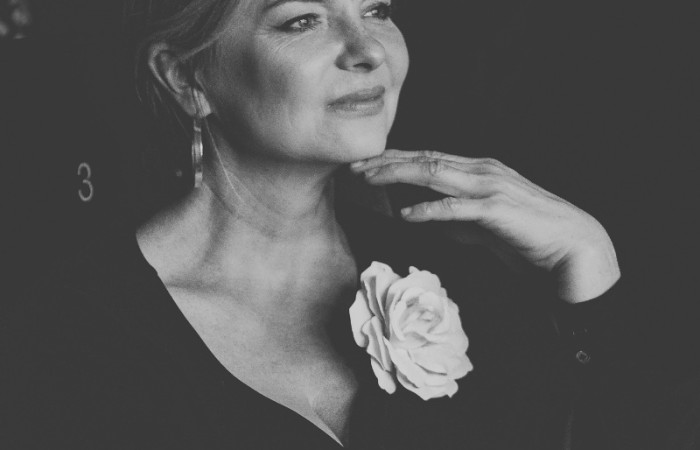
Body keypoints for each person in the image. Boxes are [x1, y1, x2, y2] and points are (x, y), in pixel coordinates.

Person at [1, 0, 642, 449]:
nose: (368, 51)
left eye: (377, 9)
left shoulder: (462, 276)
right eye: (302, 20)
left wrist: (590, 265)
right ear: (187, 78)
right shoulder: (61, 342)